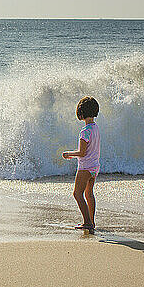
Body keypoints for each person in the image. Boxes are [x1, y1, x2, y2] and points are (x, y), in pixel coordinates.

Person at [62, 96, 100, 231]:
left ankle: (87, 222)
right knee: (89, 194)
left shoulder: (85, 131)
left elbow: (82, 152)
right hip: (94, 167)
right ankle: (92, 221)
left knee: (77, 194)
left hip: (85, 167)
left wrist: (69, 154)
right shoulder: (95, 128)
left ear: (81, 113)